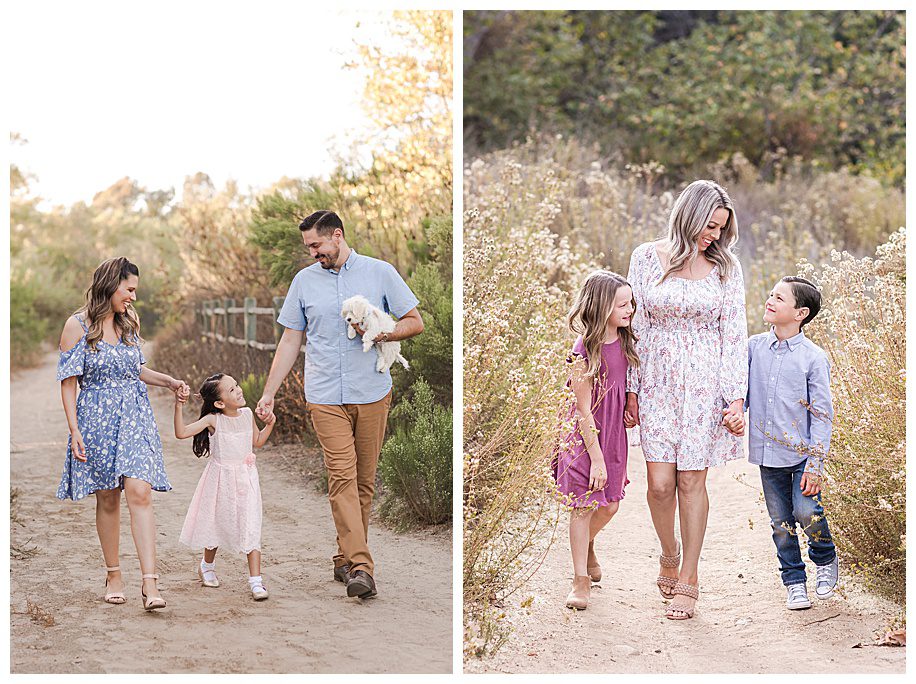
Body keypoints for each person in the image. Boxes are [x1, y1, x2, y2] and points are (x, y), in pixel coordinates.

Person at [256, 210, 423, 599]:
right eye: (308, 247)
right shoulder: (303, 282)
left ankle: (344, 557)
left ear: (337, 235)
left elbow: (415, 321)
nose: (313, 253)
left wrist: (385, 332)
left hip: (372, 392)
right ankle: (362, 568)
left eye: (317, 245)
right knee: (343, 478)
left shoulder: (380, 272)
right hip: (325, 395)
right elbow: (290, 342)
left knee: (364, 483)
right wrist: (269, 392)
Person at [625, 179, 748, 620]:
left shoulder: (726, 267)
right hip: (656, 379)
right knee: (658, 484)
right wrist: (631, 388)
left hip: (705, 384)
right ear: (689, 214)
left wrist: (735, 399)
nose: (714, 236)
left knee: (692, 481)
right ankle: (669, 553)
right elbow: (635, 327)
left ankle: (690, 577)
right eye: (710, 225)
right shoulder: (645, 257)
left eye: (720, 228)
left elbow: (733, 335)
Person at [57, 256, 190, 610]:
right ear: (111, 284)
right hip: (96, 419)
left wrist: (169, 382)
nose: (132, 297)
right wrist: (74, 430)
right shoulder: (77, 326)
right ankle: (113, 573)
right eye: (129, 289)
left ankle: (151, 584)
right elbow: (69, 384)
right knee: (108, 498)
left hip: (135, 415)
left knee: (139, 491)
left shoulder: (129, 321)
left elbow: (137, 369)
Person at [725, 276, 838, 610]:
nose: (769, 301)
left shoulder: (813, 358)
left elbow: (821, 415)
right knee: (781, 524)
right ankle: (794, 582)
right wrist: (735, 412)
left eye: (779, 298)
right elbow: (740, 393)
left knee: (806, 511)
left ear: (800, 312)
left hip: (803, 455)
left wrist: (816, 464)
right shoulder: (753, 347)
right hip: (768, 454)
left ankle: (825, 558)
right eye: (770, 294)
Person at [554, 271, 637, 610]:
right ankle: (579, 580)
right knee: (583, 504)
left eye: (631, 302)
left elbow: (627, 382)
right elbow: (582, 410)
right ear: (602, 307)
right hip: (584, 437)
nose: (630, 309)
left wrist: (631, 403)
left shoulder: (627, 341)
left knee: (611, 503)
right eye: (622, 304)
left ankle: (586, 544)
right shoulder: (583, 350)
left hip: (613, 433)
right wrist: (597, 458)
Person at [175, 373, 276, 600]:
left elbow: (257, 441)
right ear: (220, 403)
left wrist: (271, 423)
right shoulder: (213, 420)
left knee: (250, 524)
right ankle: (207, 566)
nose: (239, 390)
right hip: (220, 480)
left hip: (246, 478)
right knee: (216, 524)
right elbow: (181, 433)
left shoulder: (247, 414)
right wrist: (178, 406)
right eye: (231, 390)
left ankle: (256, 581)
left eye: (237, 385)